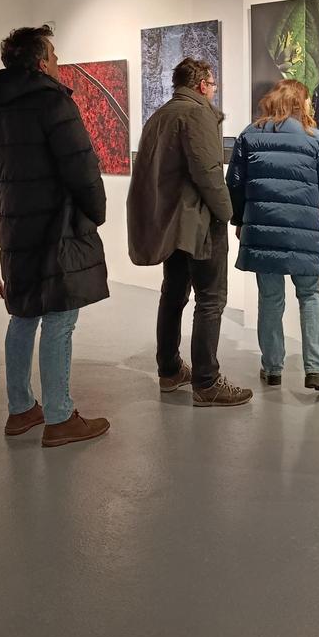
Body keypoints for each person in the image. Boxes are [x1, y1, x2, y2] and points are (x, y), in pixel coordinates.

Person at [0, 25, 111, 448]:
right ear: (41, 61)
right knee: (60, 318)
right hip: (58, 225)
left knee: (23, 314)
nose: (59, 61)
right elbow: (81, 167)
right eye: (54, 54)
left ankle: (21, 408)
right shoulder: (52, 102)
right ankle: (60, 417)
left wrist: (11, 197)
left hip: (15, 225)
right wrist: (95, 212)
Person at [128, 58, 253, 408]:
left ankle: (169, 370)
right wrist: (228, 213)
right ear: (201, 85)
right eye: (212, 84)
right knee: (211, 299)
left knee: (173, 294)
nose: (214, 90)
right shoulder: (197, 114)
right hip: (198, 222)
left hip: (173, 223)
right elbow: (208, 172)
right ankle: (207, 382)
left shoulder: (161, 114)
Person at [227, 79, 319, 391]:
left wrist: (239, 218)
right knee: (310, 295)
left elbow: (234, 182)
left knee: (270, 298)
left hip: (262, 228)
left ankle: (272, 367)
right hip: (303, 230)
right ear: (301, 103)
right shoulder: (315, 138)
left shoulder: (250, 135)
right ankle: (316, 369)